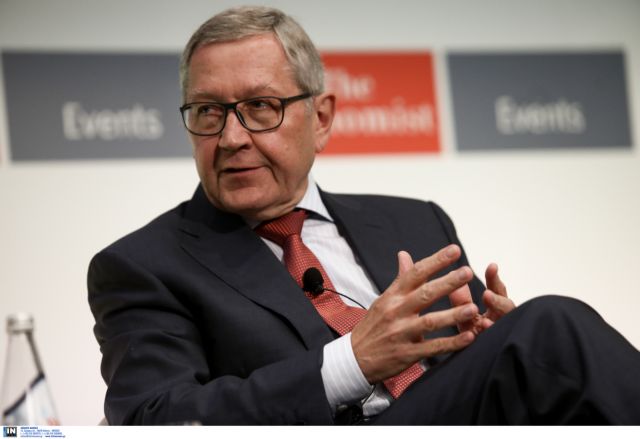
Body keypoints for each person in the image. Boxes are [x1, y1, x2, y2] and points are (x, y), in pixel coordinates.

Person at [87, 5, 640, 425]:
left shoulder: (416, 223)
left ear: (321, 118)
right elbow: (154, 420)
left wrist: (491, 350)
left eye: (259, 107)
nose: (231, 137)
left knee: (542, 358)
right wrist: (351, 362)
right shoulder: (143, 266)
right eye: (208, 112)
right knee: (549, 328)